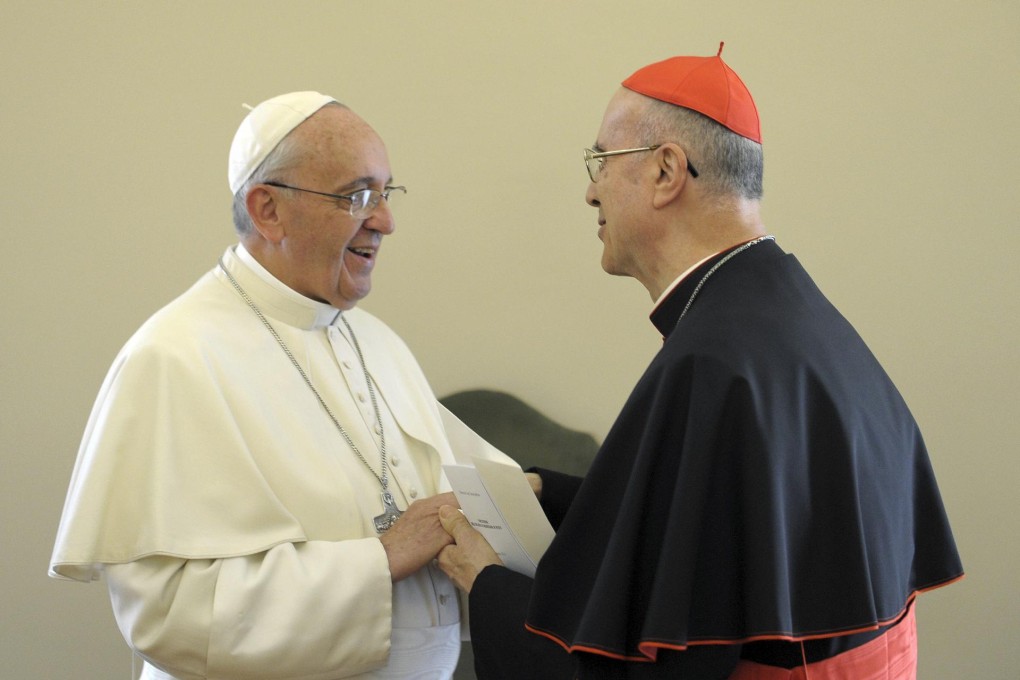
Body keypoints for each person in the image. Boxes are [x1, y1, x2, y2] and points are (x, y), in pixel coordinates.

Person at [437, 45, 964, 679]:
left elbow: (636, 667)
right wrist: (548, 493)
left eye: (600, 161)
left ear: (666, 172)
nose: (588, 190)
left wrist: (486, 586)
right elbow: (718, 524)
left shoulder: (714, 360)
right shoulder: (790, 315)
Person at [50, 92, 469, 679]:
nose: (385, 220)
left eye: (386, 192)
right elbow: (168, 613)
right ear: (268, 210)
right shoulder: (174, 357)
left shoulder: (378, 342)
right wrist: (380, 559)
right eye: (358, 196)